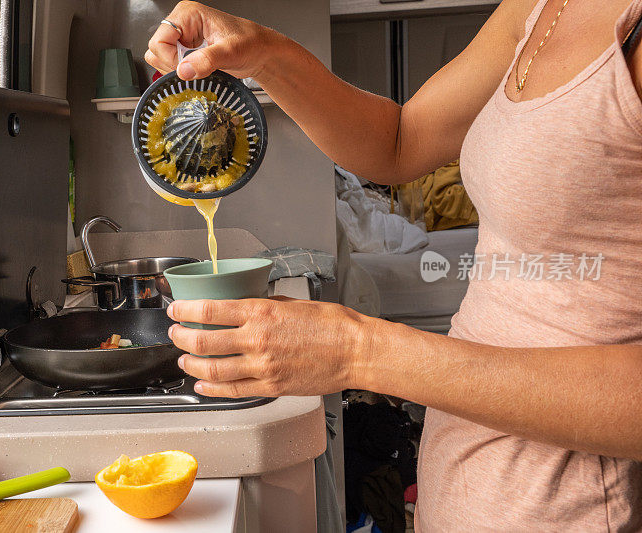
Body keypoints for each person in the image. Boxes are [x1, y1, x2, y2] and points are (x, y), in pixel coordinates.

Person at [146, 1, 642, 530]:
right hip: (462, 491)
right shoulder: (542, 7)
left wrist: (358, 350)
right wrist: (265, 54)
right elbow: (400, 141)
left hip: (567, 509)